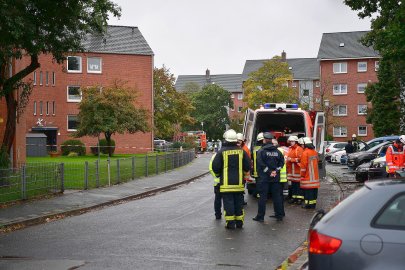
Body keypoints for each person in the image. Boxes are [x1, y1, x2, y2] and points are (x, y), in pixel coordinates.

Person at [212, 129, 250, 229]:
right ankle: (239, 222)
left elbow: (215, 167)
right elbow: (247, 166)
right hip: (239, 184)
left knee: (228, 204)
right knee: (239, 203)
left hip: (226, 185)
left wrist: (218, 174)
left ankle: (230, 223)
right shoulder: (242, 151)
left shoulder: (221, 152)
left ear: (226, 139)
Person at [253, 132, 285, 222]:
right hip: (275, 178)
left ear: (264, 140)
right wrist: (276, 171)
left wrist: (269, 172)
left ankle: (260, 216)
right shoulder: (277, 151)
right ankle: (279, 215)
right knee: (277, 197)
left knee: (262, 197)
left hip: (264, 178)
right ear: (271, 140)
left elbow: (260, 164)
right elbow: (282, 163)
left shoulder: (261, 151)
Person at [300, 137, 320, 209]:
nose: (301, 146)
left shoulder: (305, 153)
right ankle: (313, 204)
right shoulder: (314, 152)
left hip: (308, 176)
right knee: (314, 191)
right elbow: (317, 161)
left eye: (302, 145)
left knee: (308, 192)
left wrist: (302, 175)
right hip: (315, 176)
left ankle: (308, 205)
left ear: (305, 145)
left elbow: (303, 166)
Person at [286, 136, 304, 204]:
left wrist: (291, 160)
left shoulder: (299, 149)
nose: (291, 143)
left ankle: (299, 198)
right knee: (293, 185)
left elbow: (301, 159)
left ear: (296, 142)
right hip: (292, 171)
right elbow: (288, 158)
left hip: (298, 171)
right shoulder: (290, 149)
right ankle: (294, 197)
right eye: (290, 141)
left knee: (299, 185)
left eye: (292, 141)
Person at [209, 153, 222, 219]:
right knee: (228, 199)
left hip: (217, 182)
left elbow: (211, 168)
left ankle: (218, 214)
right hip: (228, 181)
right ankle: (229, 216)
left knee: (217, 199)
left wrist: (216, 176)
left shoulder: (215, 155)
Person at [251, 132, 264, 198]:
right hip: (263, 170)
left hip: (256, 170)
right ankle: (261, 195)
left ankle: (258, 194)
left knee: (258, 183)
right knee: (263, 183)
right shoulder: (264, 149)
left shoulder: (254, 148)